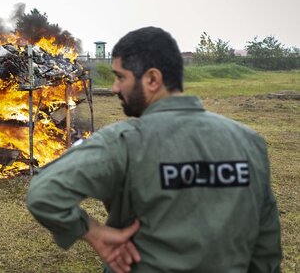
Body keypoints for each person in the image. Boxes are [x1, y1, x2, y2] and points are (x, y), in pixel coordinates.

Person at [26, 26, 281, 272]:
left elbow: (43, 192)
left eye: (120, 77)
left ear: (152, 79)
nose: (114, 88)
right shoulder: (250, 142)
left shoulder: (123, 142)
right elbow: (266, 245)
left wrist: (94, 232)